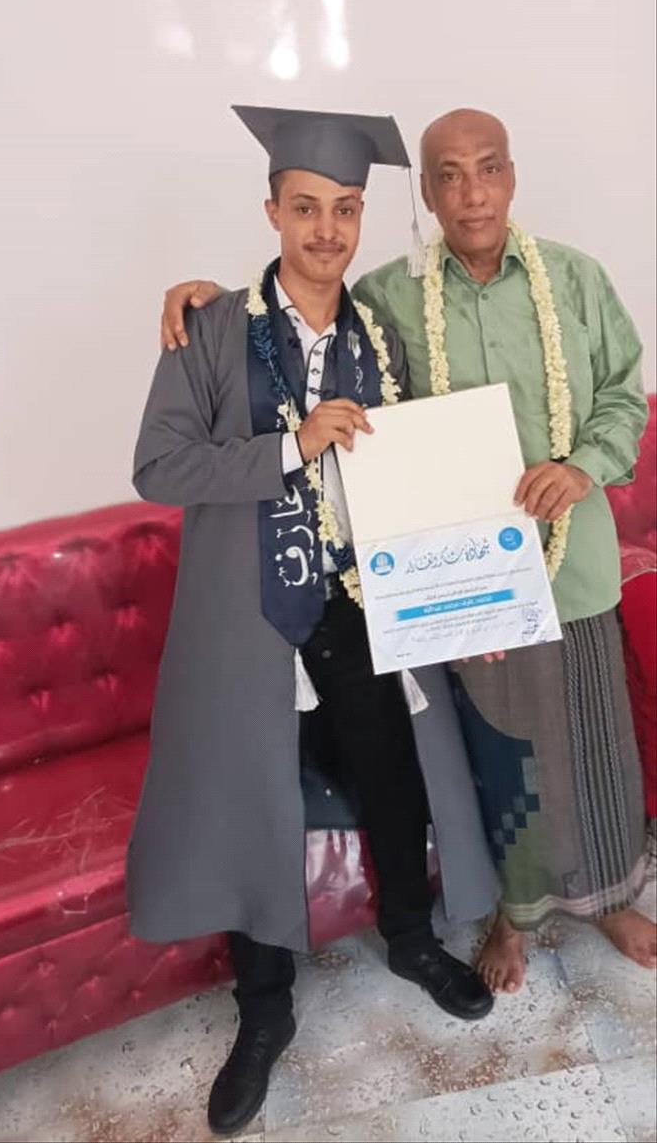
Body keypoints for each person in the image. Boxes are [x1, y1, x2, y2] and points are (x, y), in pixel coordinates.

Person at [160, 106, 655, 998]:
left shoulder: (576, 279)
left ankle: (613, 899)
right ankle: (515, 912)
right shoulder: (391, 298)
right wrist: (207, 301)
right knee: (506, 754)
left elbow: (624, 391)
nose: (473, 193)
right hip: (464, 582)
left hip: (571, 562)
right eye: (449, 176)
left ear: (512, 175)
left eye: (489, 168)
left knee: (594, 740)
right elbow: (298, 311)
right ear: (424, 193)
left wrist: (583, 465)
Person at [129, 106, 496, 1138]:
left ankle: (412, 938)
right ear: (272, 213)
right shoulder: (210, 329)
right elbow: (158, 465)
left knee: (393, 771)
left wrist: (473, 584)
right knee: (253, 796)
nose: (326, 229)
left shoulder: (379, 334)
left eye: (344, 209)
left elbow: (421, 468)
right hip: (248, 611)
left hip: (353, 601)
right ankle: (263, 1008)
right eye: (305, 208)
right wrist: (291, 445)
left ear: (360, 216)